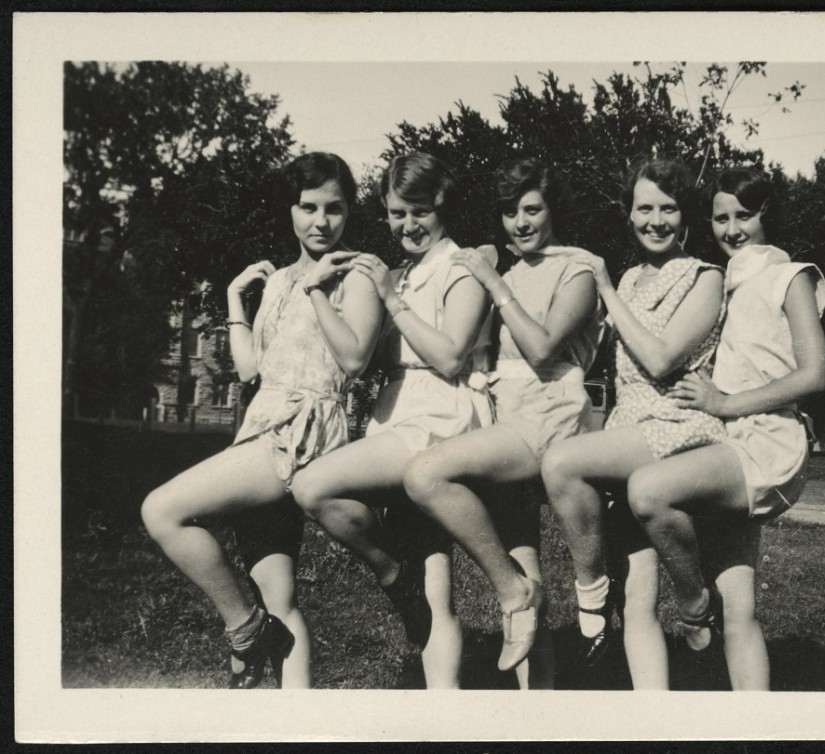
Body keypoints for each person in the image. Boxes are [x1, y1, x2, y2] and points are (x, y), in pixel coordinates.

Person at [141, 152, 382, 689]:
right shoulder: (278, 283)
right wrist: (234, 299)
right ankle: (294, 721)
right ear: (290, 210)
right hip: (259, 428)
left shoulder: (356, 272)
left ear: (350, 213)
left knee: (161, 510)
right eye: (308, 207)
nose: (321, 221)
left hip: (300, 435)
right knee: (282, 600)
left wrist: (318, 288)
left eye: (335, 209)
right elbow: (252, 368)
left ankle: (246, 632)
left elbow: (356, 359)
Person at [290, 152, 493, 689]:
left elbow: (450, 356)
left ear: (442, 206)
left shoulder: (463, 266)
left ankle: (388, 571)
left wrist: (386, 298)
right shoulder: (401, 274)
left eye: (420, 212)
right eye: (397, 213)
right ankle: (441, 706)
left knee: (313, 486)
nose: (408, 225)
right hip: (396, 412)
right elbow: (369, 356)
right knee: (434, 582)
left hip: (440, 413)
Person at [402, 158, 603, 684]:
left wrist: (492, 280)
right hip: (504, 416)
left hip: (550, 414)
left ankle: (535, 592)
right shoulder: (509, 269)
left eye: (532, 209)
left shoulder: (578, 268)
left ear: (553, 209)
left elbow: (540, 349)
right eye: (510, 211)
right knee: (523, 572)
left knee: (425, 475)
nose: (520, 222)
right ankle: (538, 713)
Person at [628, 166, 825, 689]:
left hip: (767, 445)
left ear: (768, 216)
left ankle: (693, 608)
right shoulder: (726, 282)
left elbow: (814, 374)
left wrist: (724, 401)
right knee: (740, 609)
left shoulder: (791, 275)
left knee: (649, 491)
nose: (733, 228)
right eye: (721, 218)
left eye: (745, 215)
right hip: (729, 443)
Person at [540, 157, 726, 689]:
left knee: (561, 462)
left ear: (684, 214)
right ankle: (653, 718)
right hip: (629, 428)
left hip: (676, 424)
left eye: (668, 207)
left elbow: (663, 358)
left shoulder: (705, 277)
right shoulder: (628, 279)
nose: (656, 219)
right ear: (629, 213)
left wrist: (602, 284)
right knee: (638, 597)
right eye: (645, 207)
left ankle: (676, 602)